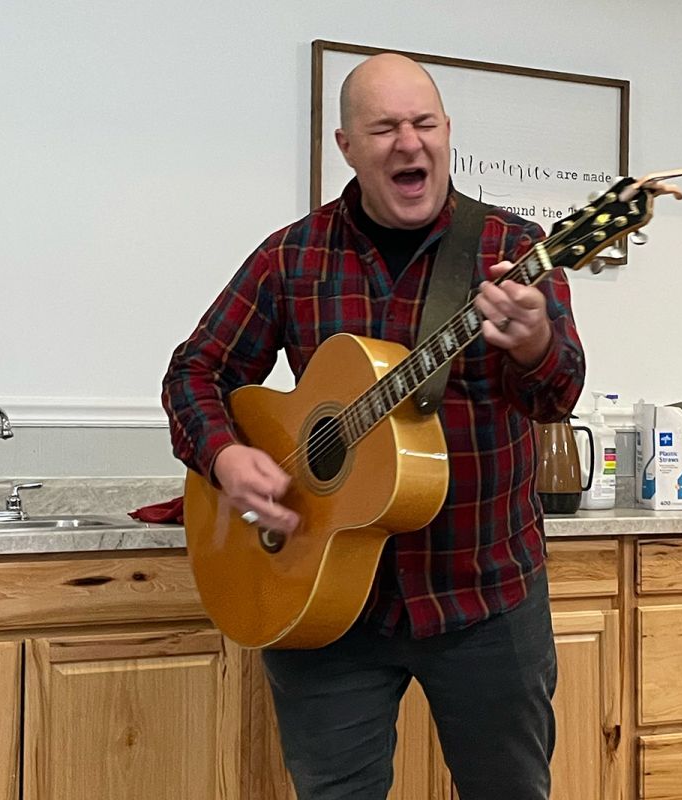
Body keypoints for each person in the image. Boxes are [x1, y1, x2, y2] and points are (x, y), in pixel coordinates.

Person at [162, 52, 585, 800]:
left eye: (423, 124)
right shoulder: (292, 256)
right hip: (321, 602)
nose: (408, 143)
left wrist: (536, 345)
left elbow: (556, 395)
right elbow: (196, 371)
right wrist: (227, 458)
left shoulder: (510, 253)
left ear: (448, 132)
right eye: (383, 127)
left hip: (484, 595)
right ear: (346, 147)